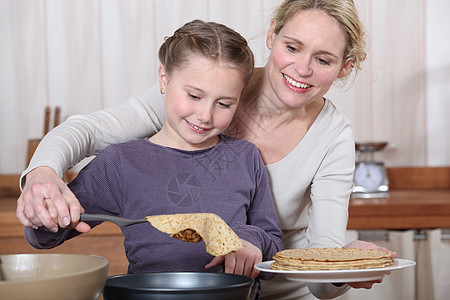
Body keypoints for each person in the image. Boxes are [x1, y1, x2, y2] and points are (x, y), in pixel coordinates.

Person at [17, 1, 397, 299]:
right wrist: (43, 183)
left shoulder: (273, 151)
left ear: (343, 68)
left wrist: (344, 267)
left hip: (267, 293)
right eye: (292, 47)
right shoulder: (199, 83)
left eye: (323, 59)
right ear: (272, 36)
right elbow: (87, 134)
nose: (301, 68)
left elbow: (303, 255)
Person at [22, 19, 284, 294]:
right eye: (194, 95)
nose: (205, 115)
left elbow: (273, 242)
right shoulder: (121, 163)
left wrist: (249, 241)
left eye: (224, 103)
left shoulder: (245, 157)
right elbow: (43, 237)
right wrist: (46, 214)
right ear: (164, 79)